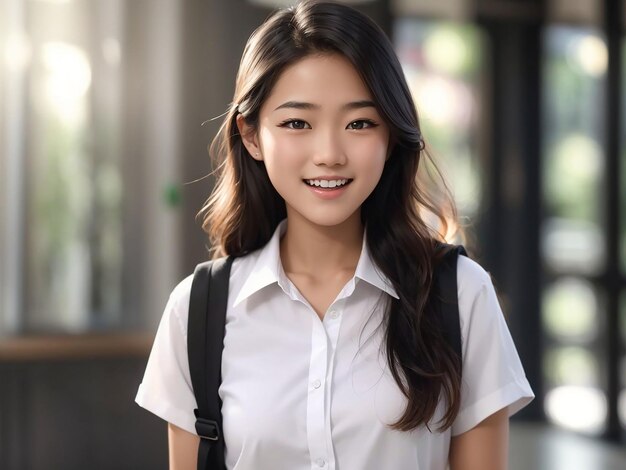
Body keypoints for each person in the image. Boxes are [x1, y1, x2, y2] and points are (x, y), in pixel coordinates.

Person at [135, 1, 534, 469]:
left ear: (390, 134)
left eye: (359, 123)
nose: (329, 154)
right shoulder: (198, 311)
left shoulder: (459, 295)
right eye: (297, 123)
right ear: (251, 135)